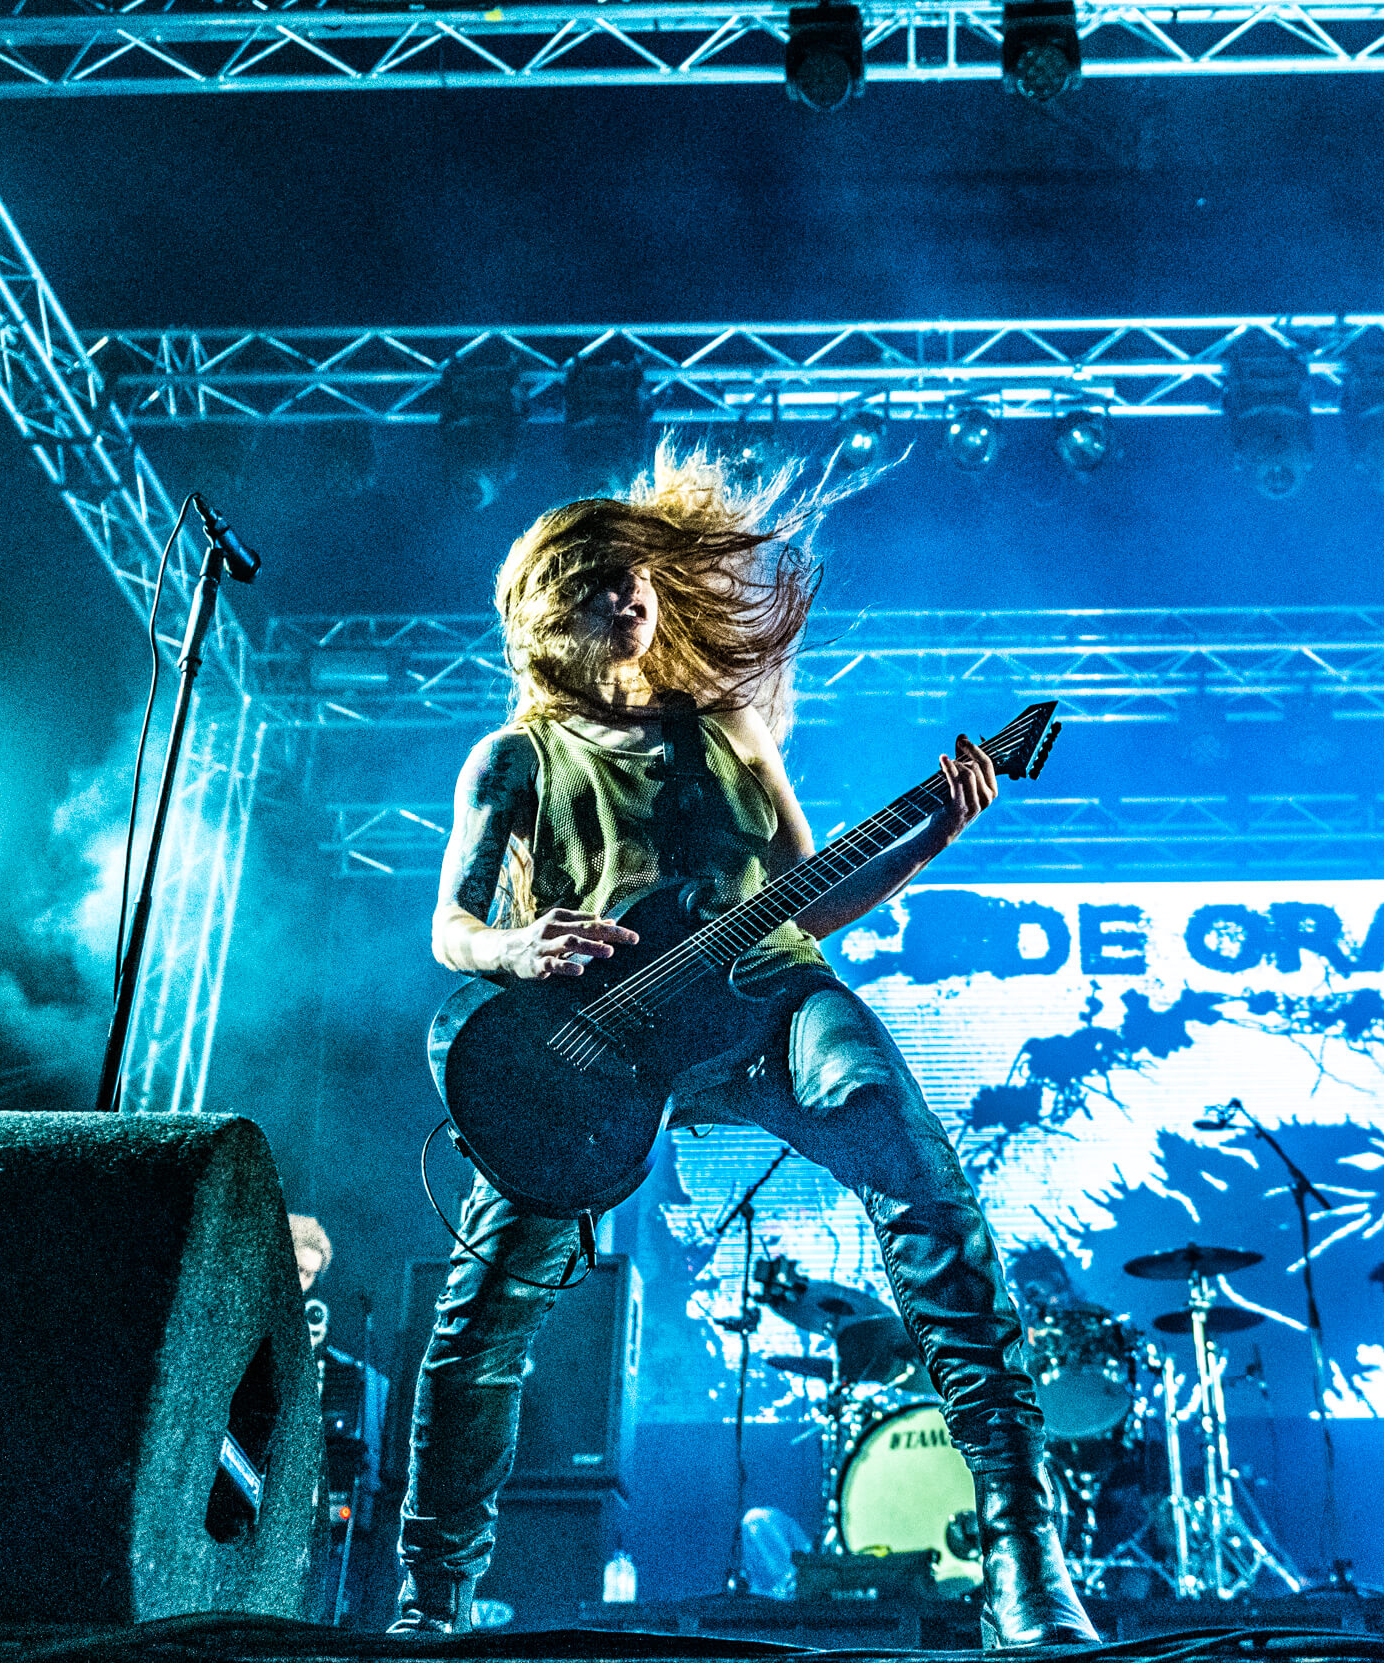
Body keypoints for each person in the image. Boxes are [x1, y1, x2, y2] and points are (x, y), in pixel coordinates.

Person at [391, 451, 1096, 1647]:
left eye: (636, 576)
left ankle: (1025, 1557)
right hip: (594, 1041)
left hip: (768, 1002)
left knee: (919, 1172)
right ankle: (432, 1598)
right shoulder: (514, 759)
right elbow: (451, 927)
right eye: (598, 578)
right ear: (544, 610)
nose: (628, 592)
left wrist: (930, 834)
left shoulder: (727, 728)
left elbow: (808, 898)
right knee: (486, 1310)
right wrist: (513, 948)